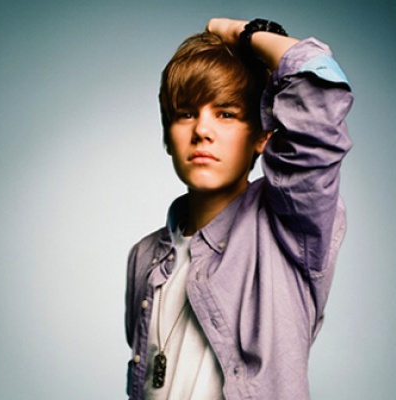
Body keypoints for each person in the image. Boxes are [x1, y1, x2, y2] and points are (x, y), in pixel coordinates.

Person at [125, 17, 353, 400]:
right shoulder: (144, 257)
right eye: (186, 113)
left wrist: (242, 34)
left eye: (226, 114)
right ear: (167, 135)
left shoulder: (287, 229)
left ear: (263, 134)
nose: (202, 130)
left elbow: (318, 90)